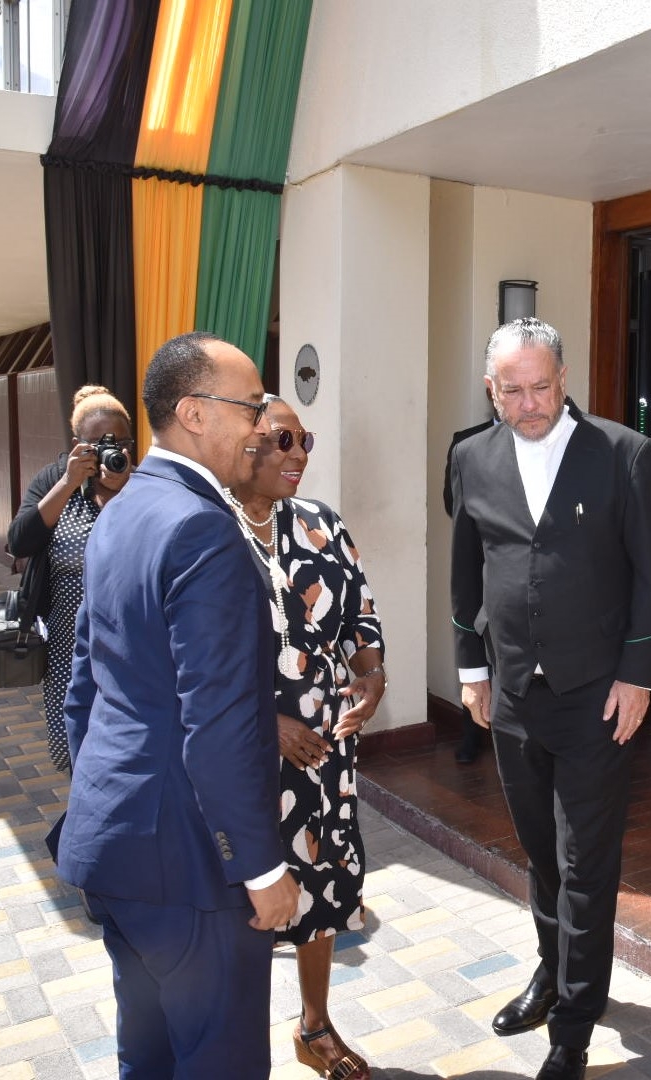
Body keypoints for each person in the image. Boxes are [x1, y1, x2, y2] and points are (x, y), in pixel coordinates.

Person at [55, 331, 300, 1077]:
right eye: (251, 406)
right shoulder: (202, 529)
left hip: (119, 849)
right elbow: (219, 725)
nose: (263, 425)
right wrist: (260, 869)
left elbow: (84, 688)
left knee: (150, 1057)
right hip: (190, 870)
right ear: (193, 412)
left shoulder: (123, 510)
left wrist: (105, 796)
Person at [450, 317, 651, 1080]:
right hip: (513, 695)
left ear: (565, 378)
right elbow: (466, 570)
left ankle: (575, 1020)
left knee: (585, 861)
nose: (529, 402)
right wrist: (470, 669)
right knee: (541, 855)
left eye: (541, 385)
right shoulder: (470, 457)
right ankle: (551, 973)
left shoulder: (624, 454)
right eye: (512, 389)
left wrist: (639, 675)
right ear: (491, 389)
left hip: (598, 698)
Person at [227, 397, 385, 1080]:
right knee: (245, 899)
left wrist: (371, 683)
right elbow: (183, 664)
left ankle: (314, 1025)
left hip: (324, 754)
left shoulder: (323, 525)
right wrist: (268, 719)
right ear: (245, 444)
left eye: (305, 440)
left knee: (318, 885)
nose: (299, 454)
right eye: (283, 439)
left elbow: (361, 626)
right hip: (240, 755)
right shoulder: (207, 532)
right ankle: (236, 1046)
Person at [7, 385, 135, 772]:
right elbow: (19, 541)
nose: (109, 450)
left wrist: (125, 485)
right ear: (78, 444)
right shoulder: (54, 480)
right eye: (96, 443)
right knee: (81, 748)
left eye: (119, 441)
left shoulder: (144, 481)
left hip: (134, 642)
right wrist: (68, 483)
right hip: (68, 646)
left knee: (131, 745)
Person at [443, 398, 497, 765]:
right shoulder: (467, 441)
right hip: (478, 564)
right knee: (474, 646)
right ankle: (471, 734)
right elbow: (452, 502)